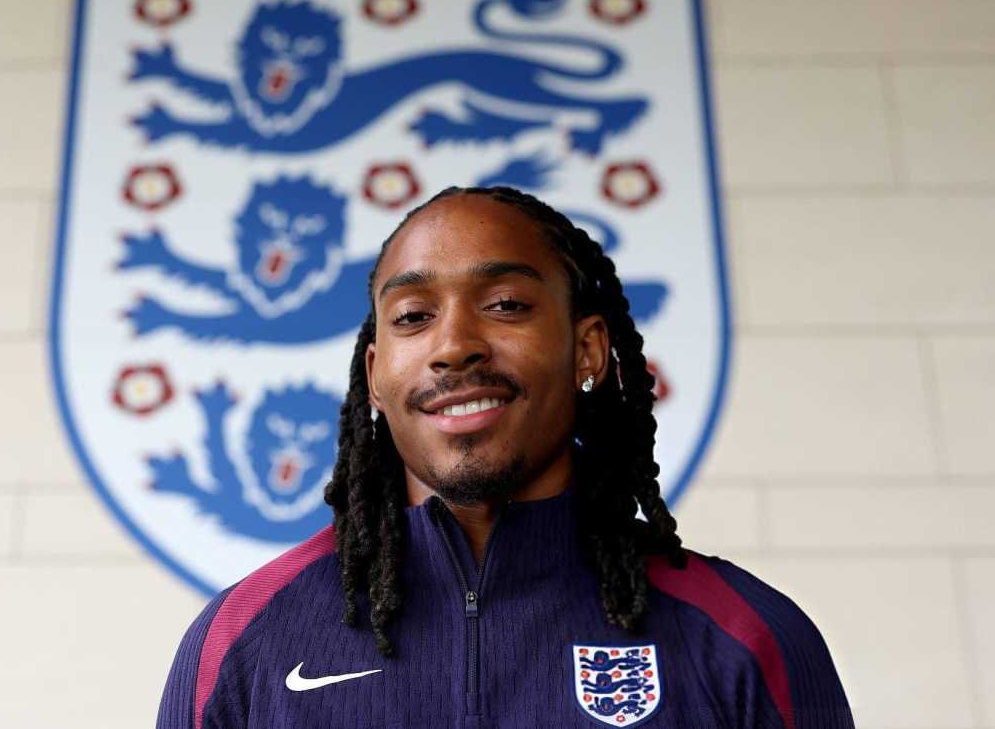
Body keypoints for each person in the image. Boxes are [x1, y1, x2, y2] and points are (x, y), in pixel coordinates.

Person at [157, 186, 854, 728]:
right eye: (413, 316)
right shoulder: (243, 642)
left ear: (587, 350)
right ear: (375, 376)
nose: (454, 345)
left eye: (506, 304)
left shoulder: (743, 636)